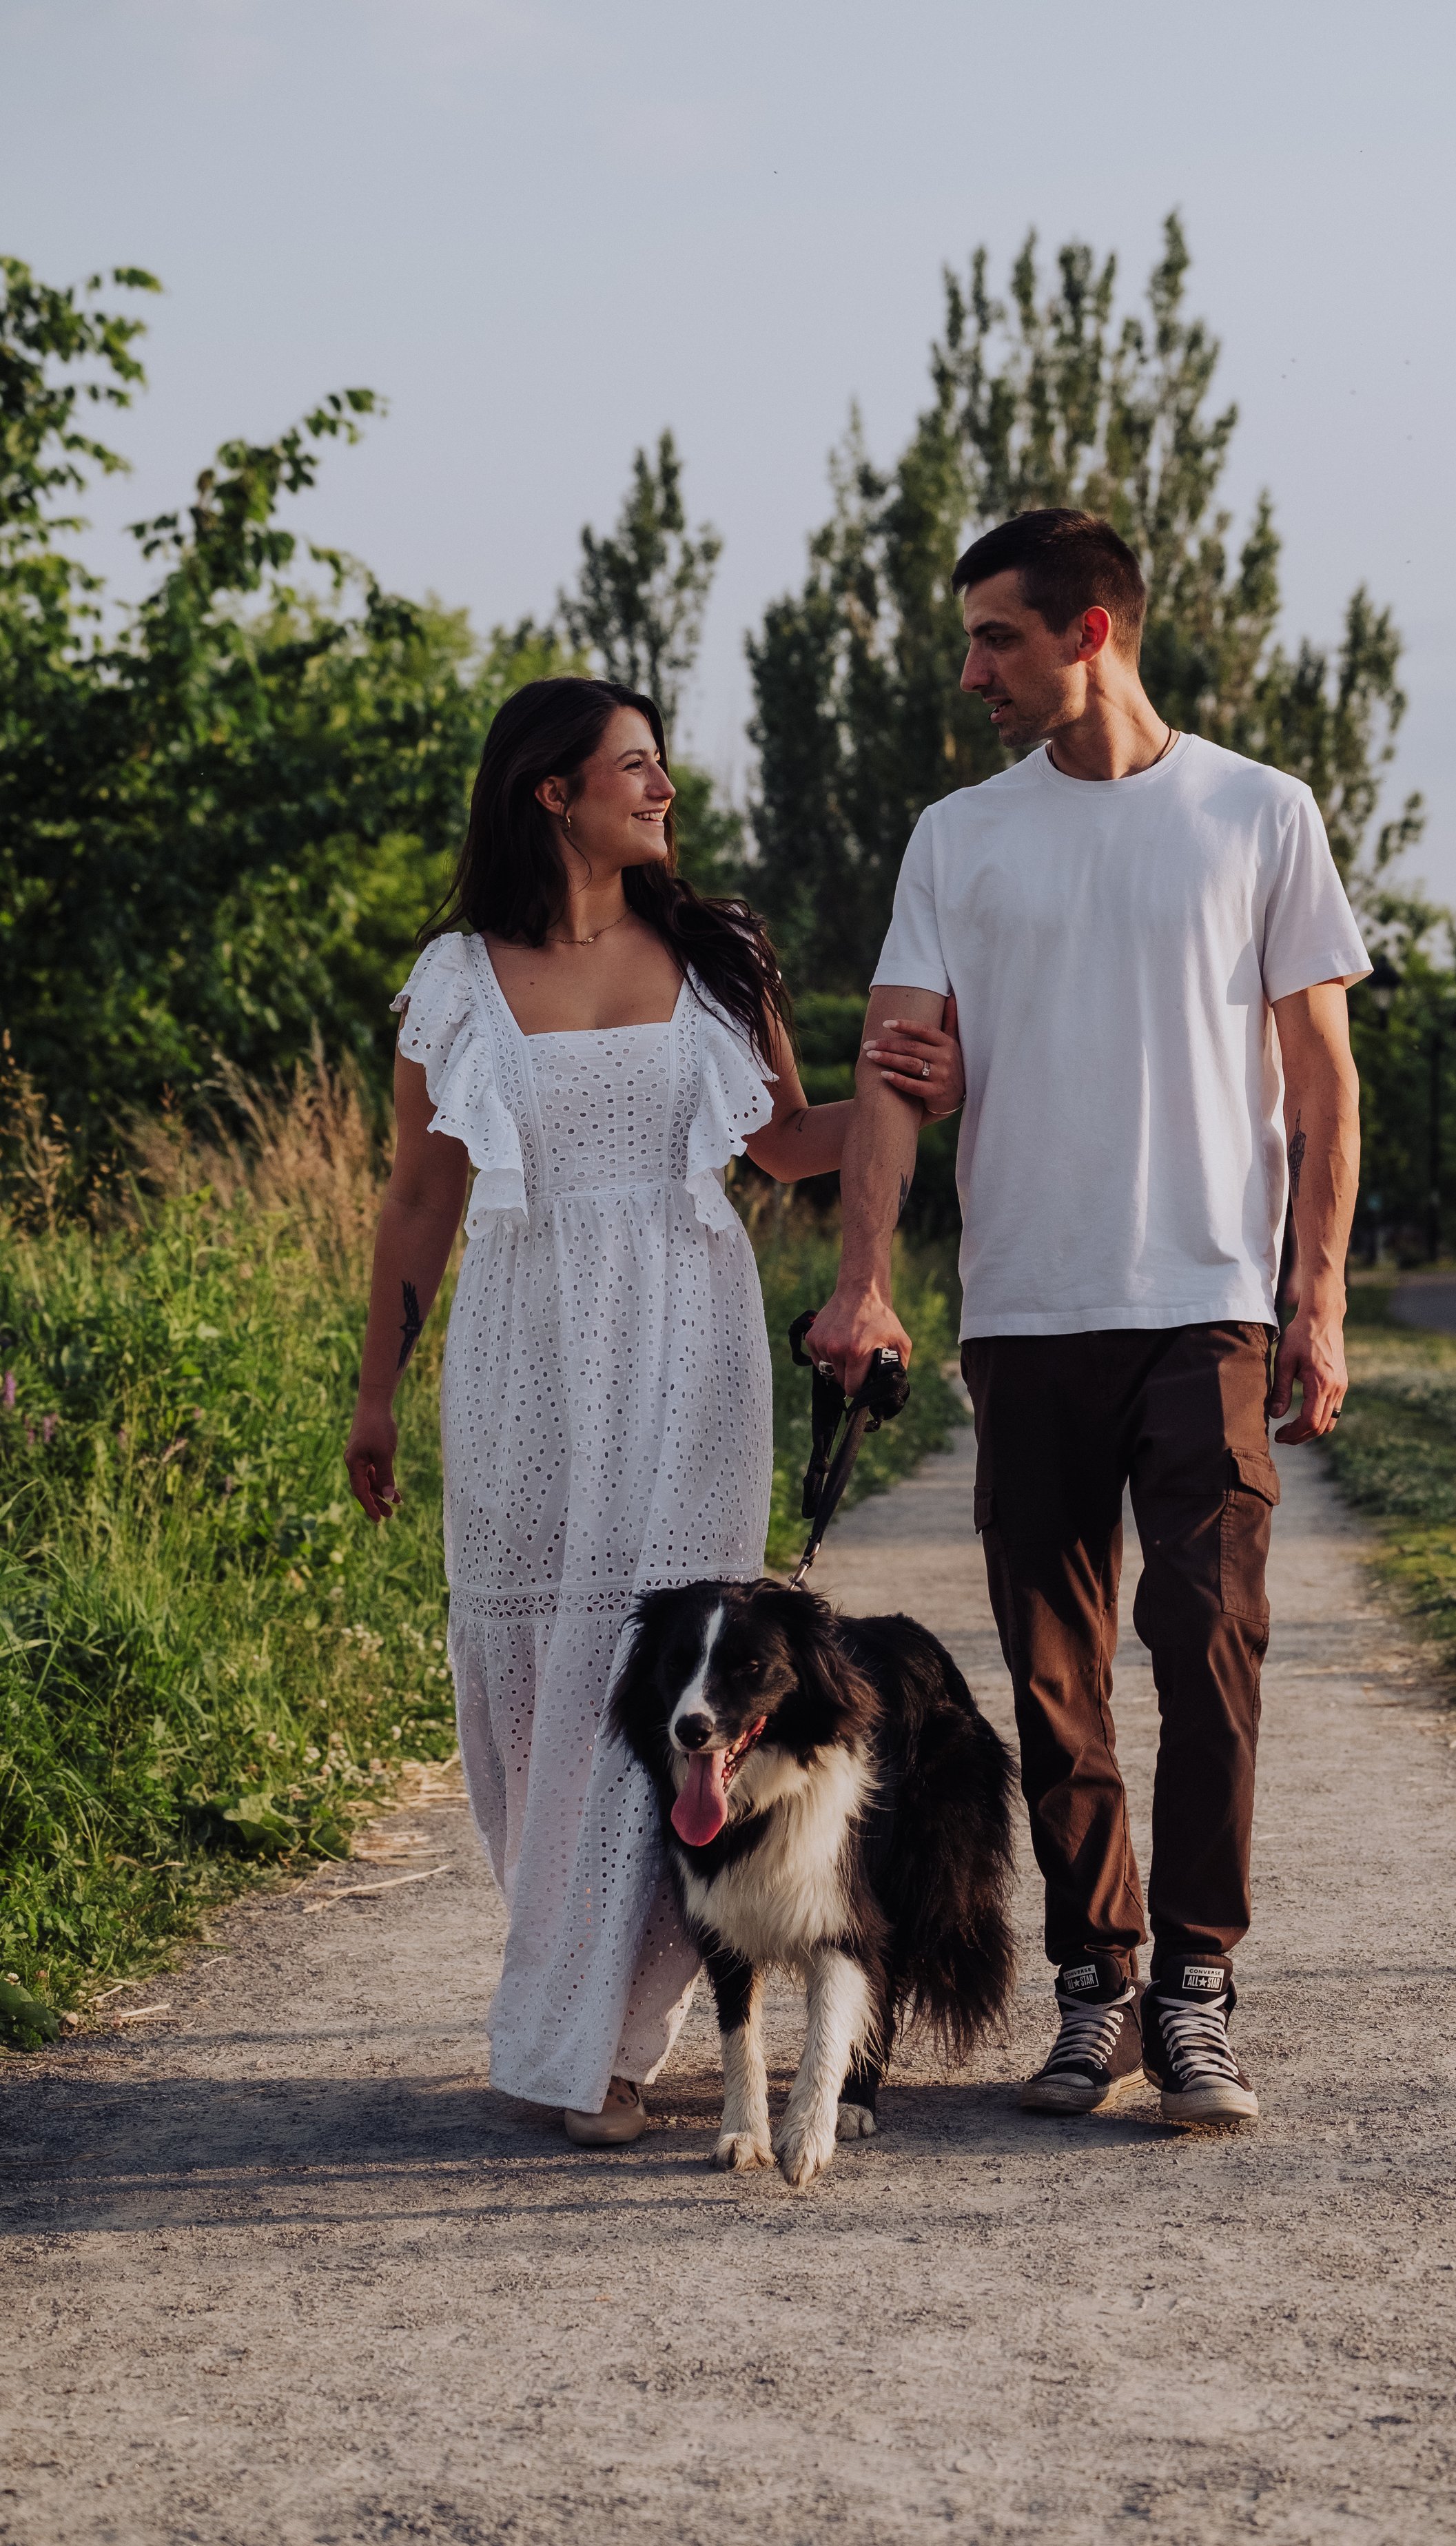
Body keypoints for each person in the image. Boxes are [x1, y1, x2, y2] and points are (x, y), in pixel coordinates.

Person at [343, 677, 963, 2145]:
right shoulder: (452, 979)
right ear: (550, 792)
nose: (662, 787)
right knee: (532, 1697)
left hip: (688, 1338)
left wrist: (908, 1094)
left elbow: (784, 1145)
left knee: (663, 1683)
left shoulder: (714, 955)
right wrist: (374, 1394)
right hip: (520, 1347)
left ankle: (603, 2045)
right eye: (634, 765)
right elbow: (418, 1198)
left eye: (659, 763)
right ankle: (574, 1990)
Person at [807, 510, 1368, 2128]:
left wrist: (1311, 1300)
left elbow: (1323, 1085)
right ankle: (1093, 1982)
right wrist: (865, 1281)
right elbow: (895, 1072)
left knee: (1206, 1647)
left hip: (1203, 1309)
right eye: (971, 639)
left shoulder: (1257, 813)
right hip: (1027, 1315)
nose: (972, 670)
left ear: (1090, 634)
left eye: (995, 638)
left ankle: (1195, 1987)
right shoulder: (955, 838)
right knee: (1053, 1683)